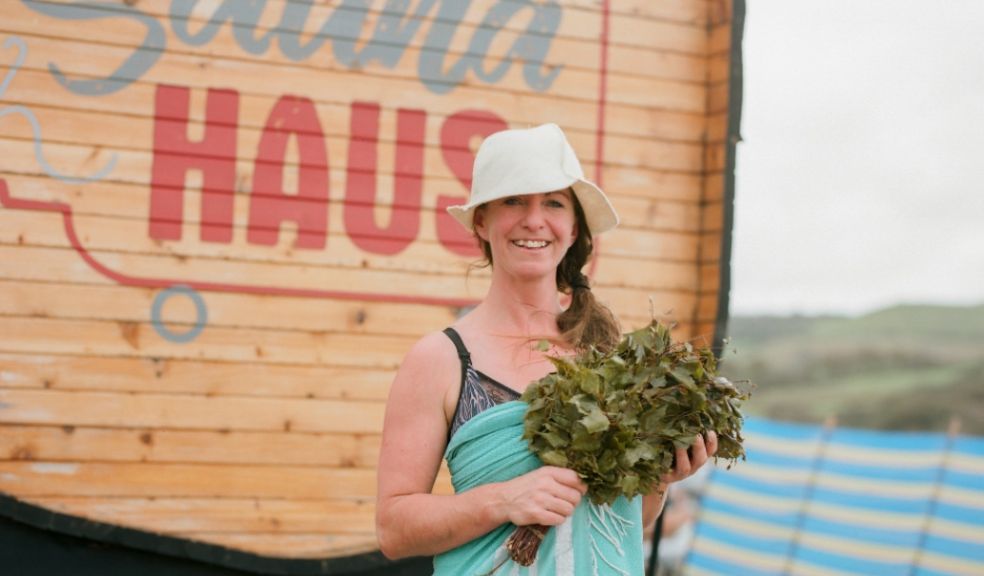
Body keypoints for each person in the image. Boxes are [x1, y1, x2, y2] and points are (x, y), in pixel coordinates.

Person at [375, 123, 717, 575]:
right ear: (482, 220)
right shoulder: (442, 359)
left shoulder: (610, 354)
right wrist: (504, 499)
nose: (534, 220)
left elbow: (628, 517)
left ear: (573, 227)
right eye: (513, 200)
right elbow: (394, 530)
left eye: (552, 203)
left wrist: (659, 480)